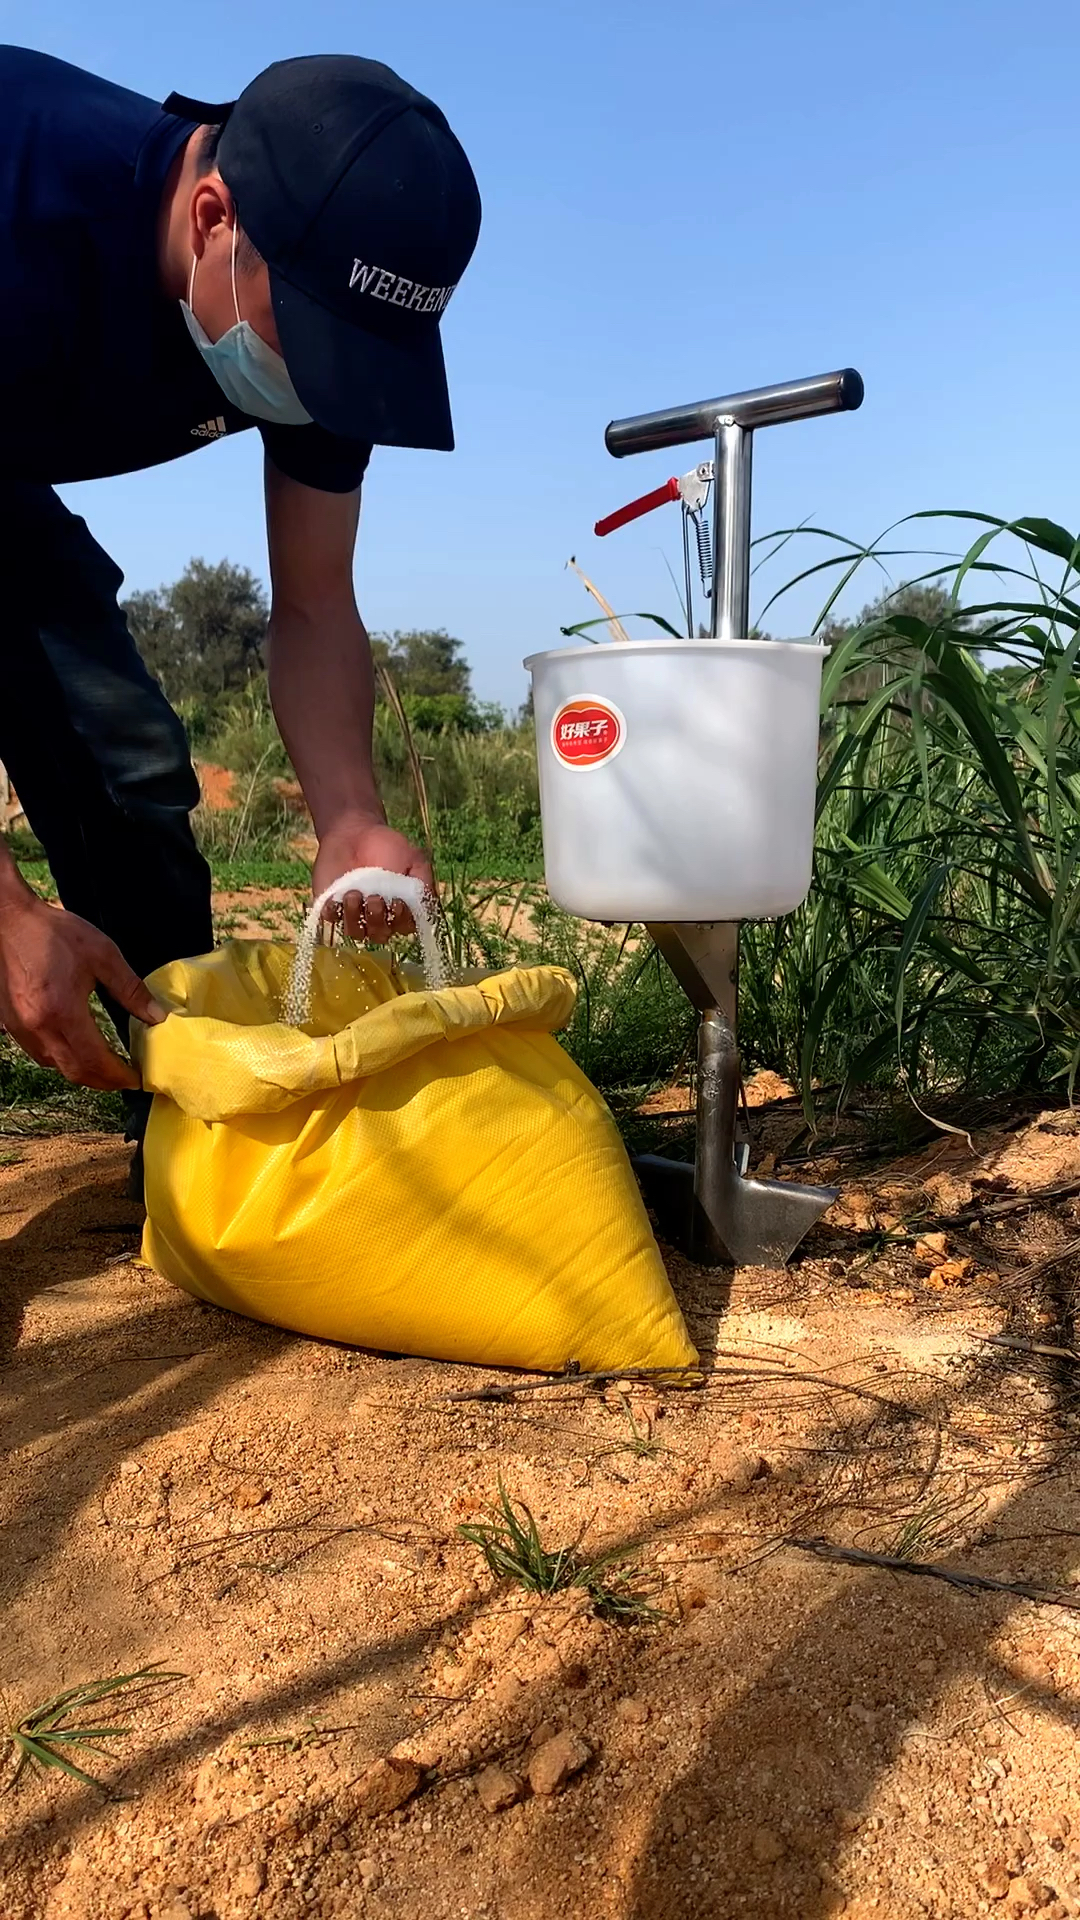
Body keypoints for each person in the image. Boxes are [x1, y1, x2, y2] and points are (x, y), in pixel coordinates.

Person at [0, 45, 481, 1173]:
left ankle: (185, 1127)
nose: (322, 389)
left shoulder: (325, 309)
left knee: (124, 769)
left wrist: (348, 813)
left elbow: (315, 602)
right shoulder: (26, 207)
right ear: (211, 216)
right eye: (307, 342)